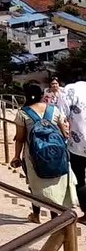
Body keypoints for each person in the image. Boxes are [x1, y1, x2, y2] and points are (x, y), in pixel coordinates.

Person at [12, 82, 77, 223]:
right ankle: (55, 217)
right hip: (57, 155)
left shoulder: (23, 113)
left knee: (34, 185)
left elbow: (20, 139)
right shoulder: (54, 110)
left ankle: (36, 215)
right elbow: (65, 134)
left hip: (33, 157)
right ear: (42, 94)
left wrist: (16, 156)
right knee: (55, 185)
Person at [59, 80, 86, 214]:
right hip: (77, 144)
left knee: (79, 179)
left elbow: (61, 116)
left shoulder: (70, 90)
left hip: (78, 144)